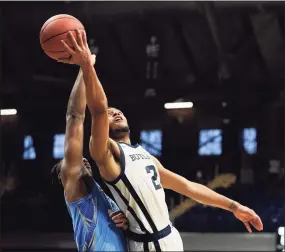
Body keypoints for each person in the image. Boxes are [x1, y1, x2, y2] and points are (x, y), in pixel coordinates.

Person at [58, 29, 263, 252]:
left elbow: (188, 187)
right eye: (110, 113)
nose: (115, 113)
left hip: (170, 237)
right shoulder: (106, 153)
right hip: (148, 245)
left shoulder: (145, 156)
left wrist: (234, 207)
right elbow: (95, 110)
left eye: (119, 112)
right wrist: (87, 66)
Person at [51, 50, 128, 252]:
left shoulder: (104, 194)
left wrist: (125, 221)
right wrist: (85, 68)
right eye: (75, 161)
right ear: (64, 177)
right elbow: (75, 116)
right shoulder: (76, 193)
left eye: (84, 159)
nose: (82, 160)